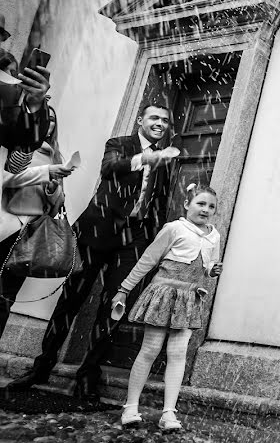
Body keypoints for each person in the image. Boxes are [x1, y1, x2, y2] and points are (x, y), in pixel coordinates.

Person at [7, 103, 177, 398]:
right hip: (95, 232)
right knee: (71, 299)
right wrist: (143, 159)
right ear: (141, 120)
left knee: (114, 306)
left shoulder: (168, 159)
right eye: (154, 118)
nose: (160, 123)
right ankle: (42, 365)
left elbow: (160, 199)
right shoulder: (119, 144)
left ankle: (89, 373)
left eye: (164, 120)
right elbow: (109, 168)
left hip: (133, 241)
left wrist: (151, 235)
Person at [114, 183, 222, 431]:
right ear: (187, 205)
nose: (205, 210)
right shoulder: (174, 229)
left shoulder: (213, 235)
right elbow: (147, 261)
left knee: (177, 355)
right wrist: (123, 290)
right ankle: (131, 407)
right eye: (200, 204)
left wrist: (212, 271)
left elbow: (207, 266)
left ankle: (168, 414)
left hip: (189, 298)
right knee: (150, 350)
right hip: (163, 294)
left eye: (211, 206)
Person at [0, 106, 75, 336]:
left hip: (26, 234)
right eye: (44, 118)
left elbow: (57, 204)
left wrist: (53, 190)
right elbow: (10, 179)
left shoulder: (56, 156)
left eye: (51, 119)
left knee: (4, 298)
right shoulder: (13, 146)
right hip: (6, 225)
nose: (48, 122)